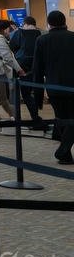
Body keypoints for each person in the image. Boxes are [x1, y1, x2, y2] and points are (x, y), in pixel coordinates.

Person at [33, 10, 74, 164]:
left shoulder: (42, 40)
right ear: (65, 21)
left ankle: (65, 154)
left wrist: (38, 96)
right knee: (70, 119)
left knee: (62, 117)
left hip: (53, 87)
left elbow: (37, 69)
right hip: (72, 87)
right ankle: (63, 151)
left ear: (49, 24)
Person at [10, 16, 44, 130]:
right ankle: (35, 117)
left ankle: (19, 119)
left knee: (21, 94)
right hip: (36, 67)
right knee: (32, 93)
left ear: (25, 24)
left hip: (21, 67)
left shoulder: (19, 33)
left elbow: (12, 47)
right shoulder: (40, 34)